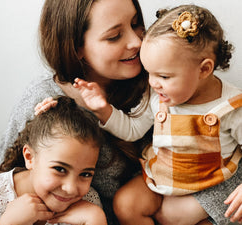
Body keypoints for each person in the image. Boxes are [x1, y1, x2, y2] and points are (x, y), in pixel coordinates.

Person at [73, 4, 242, 225]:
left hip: (209, 184)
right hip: (159, 179)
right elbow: (132, 130)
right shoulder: (157, 96)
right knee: (126, 204)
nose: (153, 83)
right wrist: (102, 109)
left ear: (204, 69)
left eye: (163, 76)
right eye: (149, 73)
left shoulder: (231, 107)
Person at [0, 0, 150, 224]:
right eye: (114, 36)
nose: (136, 41)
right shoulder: (43, 97)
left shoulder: (164, 81)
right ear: (77, 48)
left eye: (136, 24)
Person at [0, 96, 107, 225]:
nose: (71, 188)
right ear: (30, 157)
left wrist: (96, 219)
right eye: (60, 169)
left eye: (86, 174)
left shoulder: (88, 203)